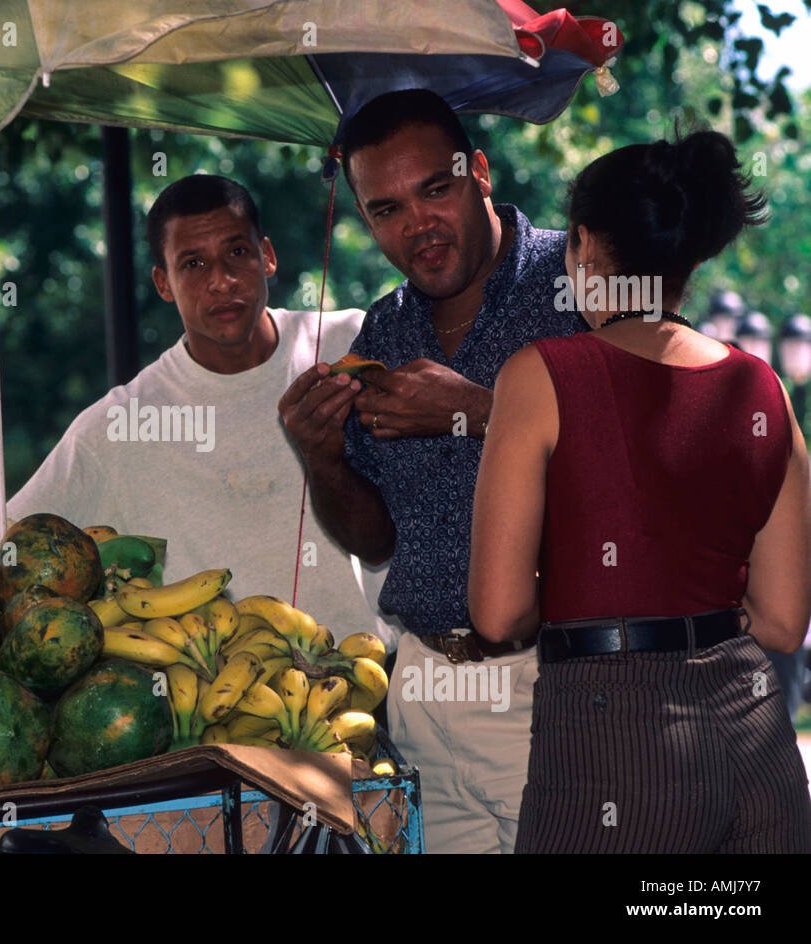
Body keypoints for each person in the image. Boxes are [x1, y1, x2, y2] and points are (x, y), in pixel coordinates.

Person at [469, 130, 811, 853]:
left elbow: (497, 613)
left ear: (586, 246)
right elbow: (782, 623)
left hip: (612, 744)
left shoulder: (541, 375)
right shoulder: (763, 388)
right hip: (757, 743)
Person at [279, 89, 586, 853]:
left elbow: (645, 462)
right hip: (420, 686)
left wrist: (482, 411)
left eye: (435, 190)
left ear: (479, 172)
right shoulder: (386, 328)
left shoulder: (580, 285)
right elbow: (375, 539)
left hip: (552, 683)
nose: (416, 224)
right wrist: (320, 457)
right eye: (385, 209)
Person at [8, 174, 391, 643]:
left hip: (368, 683)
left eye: (237, 253)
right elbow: (9, 547)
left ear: (266, 256)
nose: (222, 281)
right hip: (211, 701)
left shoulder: (350, 345)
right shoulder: (120, 424)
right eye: (193, 263)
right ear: (162, 283)